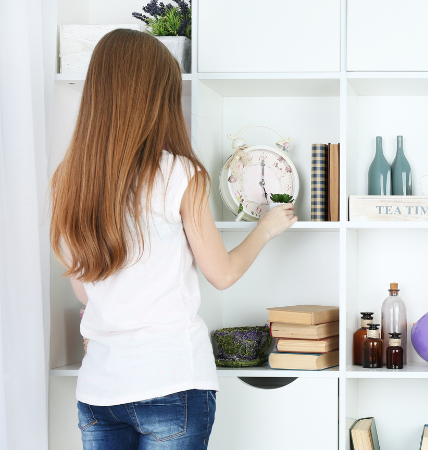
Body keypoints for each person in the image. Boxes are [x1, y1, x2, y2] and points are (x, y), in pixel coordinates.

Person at [49, 29, 297, 449]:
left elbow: (85, 289)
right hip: (172, 379)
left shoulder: (70, 180)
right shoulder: (180, 174)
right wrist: (266, 229)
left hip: (98, 391)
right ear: (155, 98)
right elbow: (222, 274)